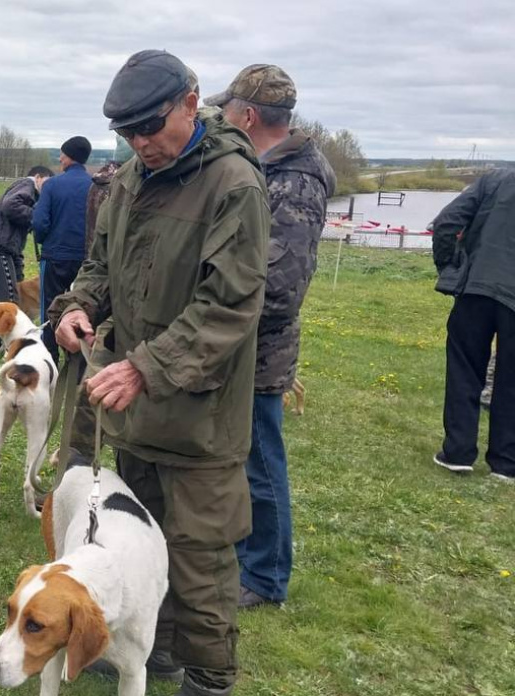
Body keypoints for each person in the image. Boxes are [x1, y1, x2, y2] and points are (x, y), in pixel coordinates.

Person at [50, 50, 269, 696]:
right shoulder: (130, 180)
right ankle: (156, 655)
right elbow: (102, 264)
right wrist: (77, 307)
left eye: (151, 126)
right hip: (136, 410)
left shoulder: (234, 185)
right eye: (128, 131)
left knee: (200, 559)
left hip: (200, 418)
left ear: (191, 105)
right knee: (142, 545)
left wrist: (145, 368)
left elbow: (228, 305)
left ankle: (208, 679)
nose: (141, 142)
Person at [207, 64, 336, 609]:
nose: (222, 119)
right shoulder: (265, 170)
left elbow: (281, 288)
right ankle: (244, 553)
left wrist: (218, 325)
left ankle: (265, 575)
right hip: (237, 345)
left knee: (261, 462)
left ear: (248, 116)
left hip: (259, 352)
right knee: (240, 459)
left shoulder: (295, 182)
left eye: (227, 110)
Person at [430, 168, 515, 482]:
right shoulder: (494, 180)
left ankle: (458, 451)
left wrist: (449, 266)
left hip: (477, 286)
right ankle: (505, 462)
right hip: (485, 286)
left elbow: (446, 222)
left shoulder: (493, 181)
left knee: (464, 367)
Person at [32, 136, 92, 360]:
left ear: (68, 157)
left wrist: (43, 241)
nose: (59, 159)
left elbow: (39, 222)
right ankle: (77, 354)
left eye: (62, 155)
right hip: (86, 258)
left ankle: (49, 356)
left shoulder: (52, 185)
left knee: (49, 306)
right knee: (82, 304)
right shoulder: (95, 185)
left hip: (55, 255)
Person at [0, 165, 54, 307]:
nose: (48, 188)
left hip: (0, 245)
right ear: (37, 177)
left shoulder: (28, 190)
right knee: (8, 303)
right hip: (0, 246)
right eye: (47, 182)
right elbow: (10, 205)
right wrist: (36, 216)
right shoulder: (27, 185)